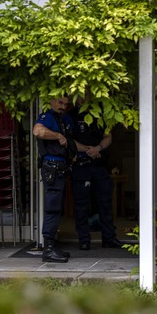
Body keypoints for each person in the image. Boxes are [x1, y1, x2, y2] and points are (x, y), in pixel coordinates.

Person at [69, 98, 122, 250]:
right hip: (81, 165)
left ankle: (109, 238)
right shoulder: (71, 115)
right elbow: (69, 139)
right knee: (81, 205)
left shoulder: (100, 113)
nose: (84, 96)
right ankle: (84, 239)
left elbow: (108, 136)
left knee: (105, 203)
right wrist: (88, 150)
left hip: (100, 165)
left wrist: (98, 148)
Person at [33, 95, 76, 263]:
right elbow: (38, 131)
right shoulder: (48, 117)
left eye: (66, 104)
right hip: (52, 167)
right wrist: (58, 135)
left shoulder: (63, 119)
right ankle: (48, 248)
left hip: (61, 168)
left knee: (57, 208)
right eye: (60, 102)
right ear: (51, 101)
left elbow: (70, 142)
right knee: (52, 208)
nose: (63, 106)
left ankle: (52, 245)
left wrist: (86, 149)